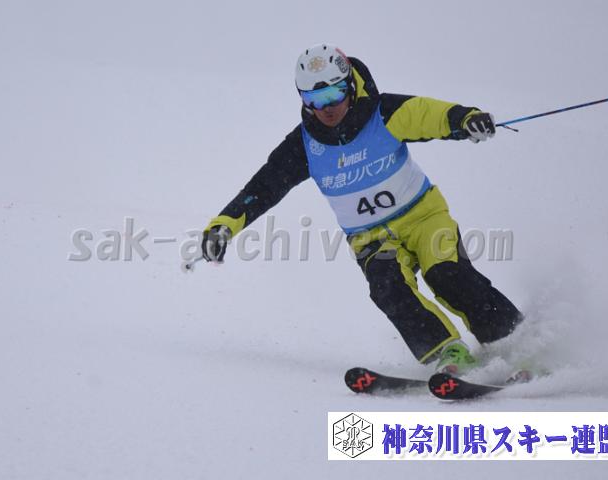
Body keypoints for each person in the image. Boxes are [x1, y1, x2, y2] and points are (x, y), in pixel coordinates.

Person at [200, 44, 522, 375]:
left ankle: (516, 342)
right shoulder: (304, 145)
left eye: (333, 95)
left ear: (350, 86)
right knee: (387, 288)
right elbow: (263, 188)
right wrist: (223, 226)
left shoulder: (385, 113)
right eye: (314, 100)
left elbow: (432, 115)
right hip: (369, 237)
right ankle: (448, 353)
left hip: (424, 219)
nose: (326, 108)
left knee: (447, 275)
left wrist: (467, 119)